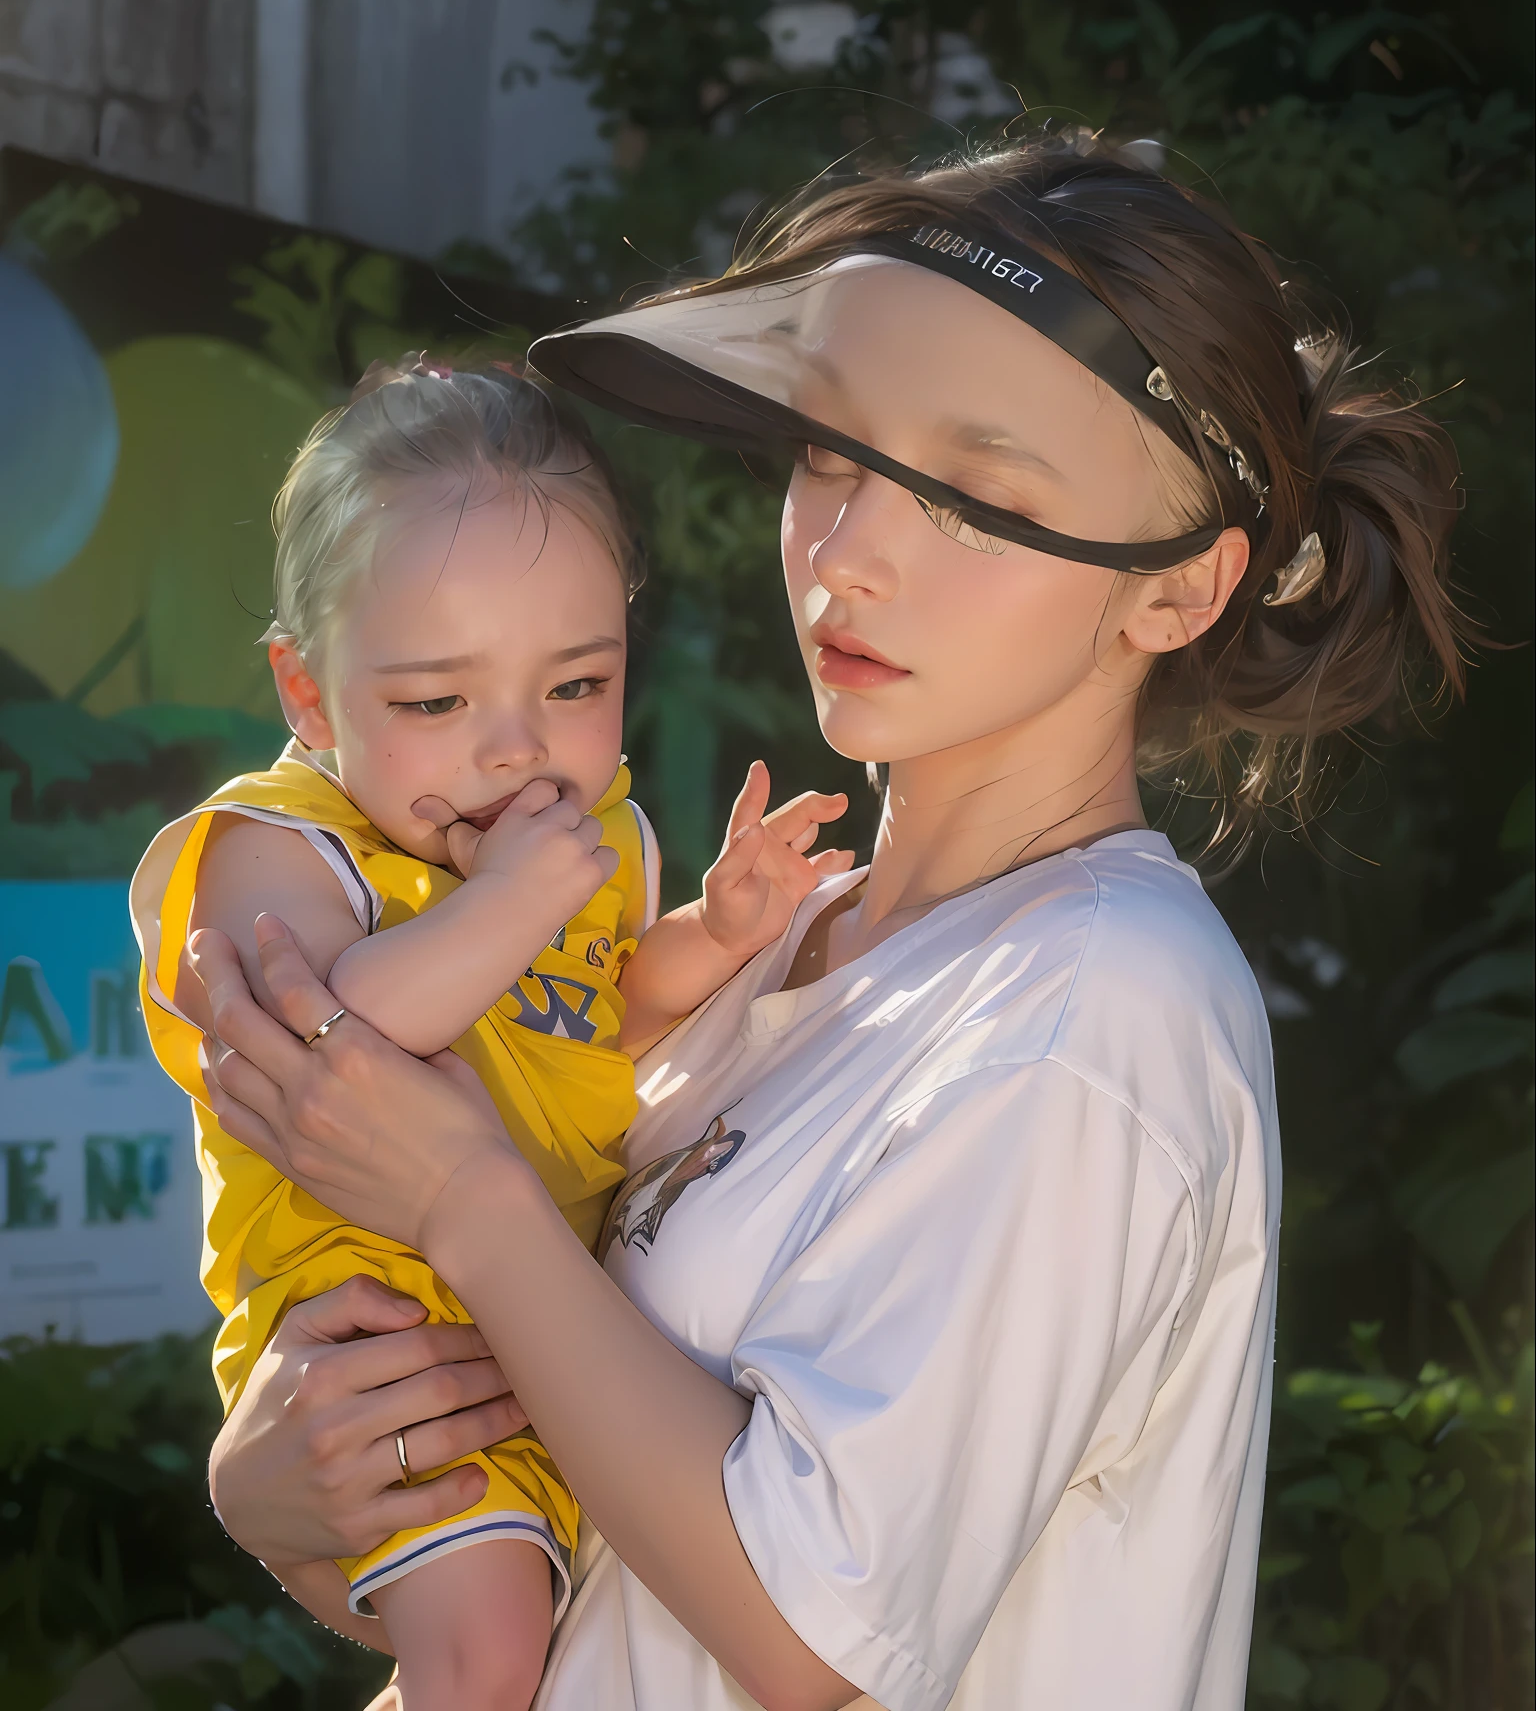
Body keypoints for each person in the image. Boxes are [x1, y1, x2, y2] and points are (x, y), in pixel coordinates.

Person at [188, 138, 1464, 1711]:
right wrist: (284, 1504)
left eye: (973, 494)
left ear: (1179, 594)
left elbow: (813, 1639)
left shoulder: (1091, 1013)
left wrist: (461, 1190)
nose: (849, 553)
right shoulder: (773, 949)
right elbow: (599, 1594)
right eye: (833, 455)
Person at [130, 361, 850, 1710]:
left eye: (575, 686)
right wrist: (519, 900)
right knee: (488, 1657)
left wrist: (713, 930)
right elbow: (343, 1048)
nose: (516, 753)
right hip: (380, 1348)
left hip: (538, 1321)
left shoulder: (589, 845)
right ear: (306, 691)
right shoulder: (273, 854)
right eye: (435, 705)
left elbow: (600, 1025)